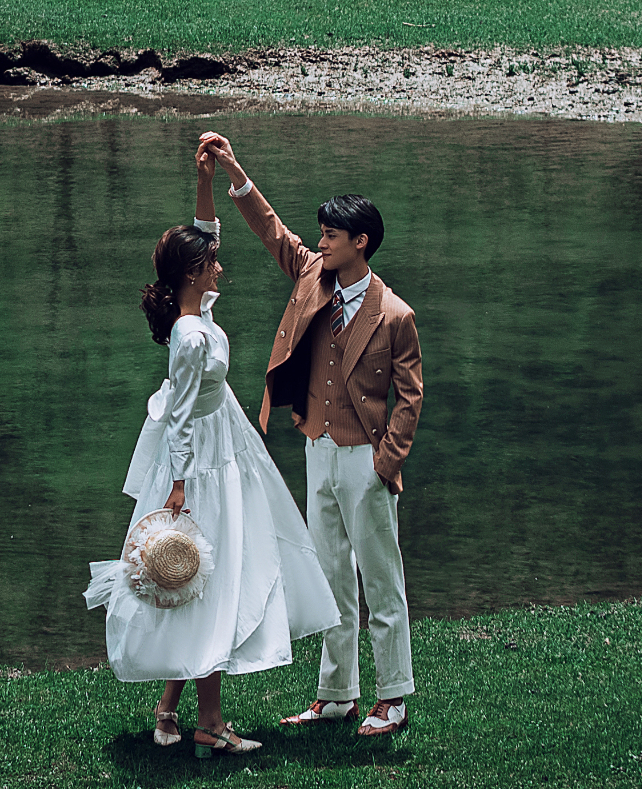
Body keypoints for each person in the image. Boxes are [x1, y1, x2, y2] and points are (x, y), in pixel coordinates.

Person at [85, 140, 339, 757]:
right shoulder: (191, 336)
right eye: (212, 263)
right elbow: (178, 419)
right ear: (195, 275)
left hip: (222, 446)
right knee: (214, 581)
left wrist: (209, 177)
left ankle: (170, 712)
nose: (221, 266)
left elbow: (206, 236)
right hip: (204, 463)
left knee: (197, 582)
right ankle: (210, 722)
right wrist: (178, 484)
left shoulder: (192, 311)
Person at [197, 130, 421, 739]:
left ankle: (394, 695)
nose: (319, 242)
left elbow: (410, 396)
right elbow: (269, 228)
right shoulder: (312, 274)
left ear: (361, 243)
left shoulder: (395, 314)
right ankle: (338, 695)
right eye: (320, 235)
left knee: (381, 580)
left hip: (365, 459)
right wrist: (232, 169)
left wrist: (386, 462)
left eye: (331, 235)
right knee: (329, 577)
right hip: (316, 449)